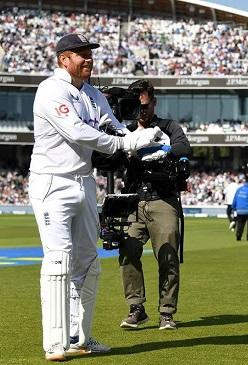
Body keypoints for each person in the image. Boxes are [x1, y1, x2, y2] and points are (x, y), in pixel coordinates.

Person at [29, 33, 161, 361]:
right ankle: (55, 344)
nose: (88, 59)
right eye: (81, 54)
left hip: (84, 183)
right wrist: (125, 144)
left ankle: (80, 338)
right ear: (63, 59)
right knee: (58, 260)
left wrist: (144, 142)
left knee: (89, 264)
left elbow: (114, 127)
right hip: (51, 183)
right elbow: (77, 131)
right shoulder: (51, 90)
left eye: (89, 54)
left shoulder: (91, 94)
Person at [119, 79, 191, 331]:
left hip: (163, 198)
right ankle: (136, 308)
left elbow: (184, 146)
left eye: (146, 105)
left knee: (168, 256)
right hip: (133, 200)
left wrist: (161, 149)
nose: (142, 111)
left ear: (154, 102)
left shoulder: (168, 126)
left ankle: (167, 313)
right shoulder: (124, 130)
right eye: (137, 106)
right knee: (127, 252)